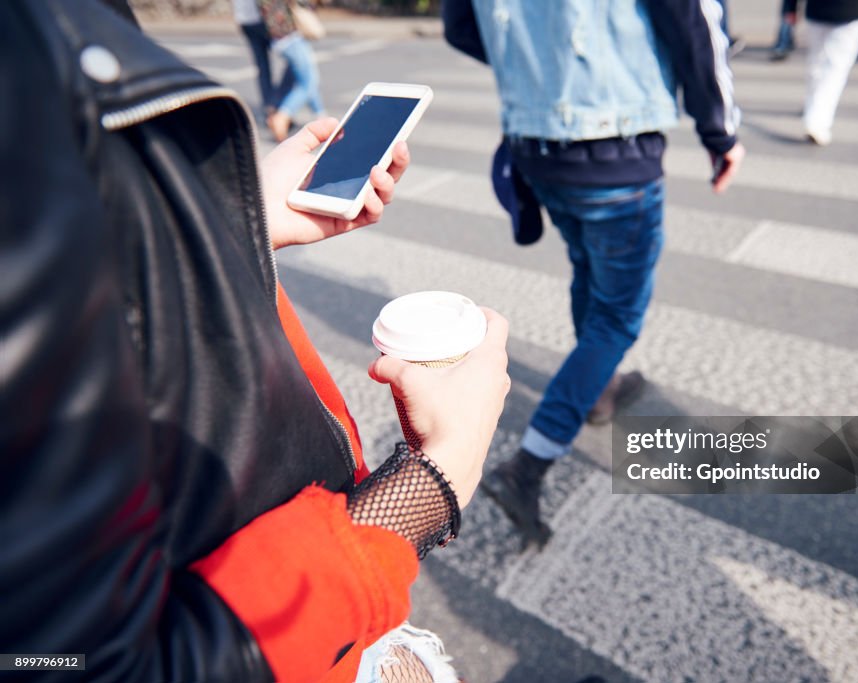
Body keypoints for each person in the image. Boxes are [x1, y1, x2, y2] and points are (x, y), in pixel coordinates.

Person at [1, 1, 511, 681]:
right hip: (303, 624)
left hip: (298, 581)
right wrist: (431, 481)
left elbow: (105, 275)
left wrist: (227, 229)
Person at [444, 0, 744, 547]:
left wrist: (537, 72)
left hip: (535, 147)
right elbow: (692, 23)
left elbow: (461, 26)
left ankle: (599, 387)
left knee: (587, 266)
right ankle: (527, 467)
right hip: (615, 145)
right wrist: (719, 132)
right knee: (616, 318)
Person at [785, 0, 858, 145]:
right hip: (849, 11)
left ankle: (813, 111)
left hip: (820, 11)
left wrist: (790, 8)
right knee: (833, 69)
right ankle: (817, 120)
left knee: (818, 65)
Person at [259, 0, 326, 141]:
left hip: (278, 35)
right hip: (290, 36)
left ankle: (321, 116)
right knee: (308, 82)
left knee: (304, 79)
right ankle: (282, 116)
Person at [234, 0, 294, 119]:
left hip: (245, 19)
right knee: (294, 63)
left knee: (263, 67)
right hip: (265, 20)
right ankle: (276, 105)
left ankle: (270, 107)